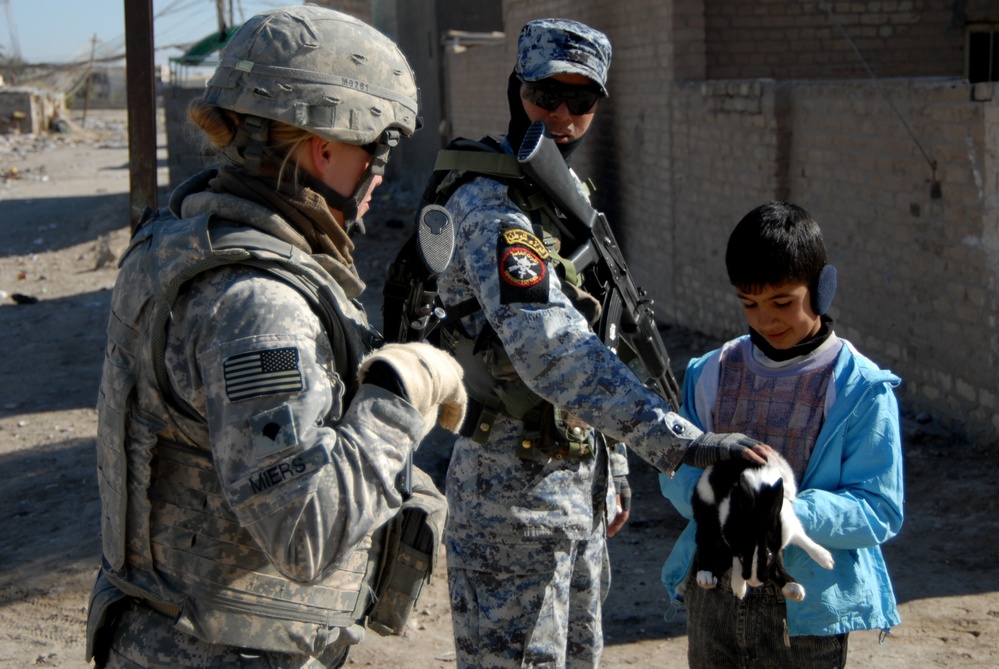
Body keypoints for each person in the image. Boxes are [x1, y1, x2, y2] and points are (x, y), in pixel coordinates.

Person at [84, 6, 467, 669]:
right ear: (324, 148)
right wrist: (396, 397)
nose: (379, 174)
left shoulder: (176, 244)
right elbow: (303, 533)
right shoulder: (259, 302)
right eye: (377, 150)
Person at [430, 18, 768, 669]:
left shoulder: (565, 200)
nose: (561, 116)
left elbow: (602, 340)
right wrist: (676, 439)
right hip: (509, 507)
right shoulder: (491, 205)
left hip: (577, 493)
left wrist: (613, 467)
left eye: (580, 100)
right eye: (545, 95)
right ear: (515, 89)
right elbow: (551, 345)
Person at [660, 200, 904, 668]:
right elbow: (675, 466)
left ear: (822, 289)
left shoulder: (860, 389)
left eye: (782, 303)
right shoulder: (710, 373)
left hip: (806, 610)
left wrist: (785, 514)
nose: (765, 320)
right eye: (748, 303)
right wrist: (723, 506)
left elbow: (879, 510)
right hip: (714, 595)